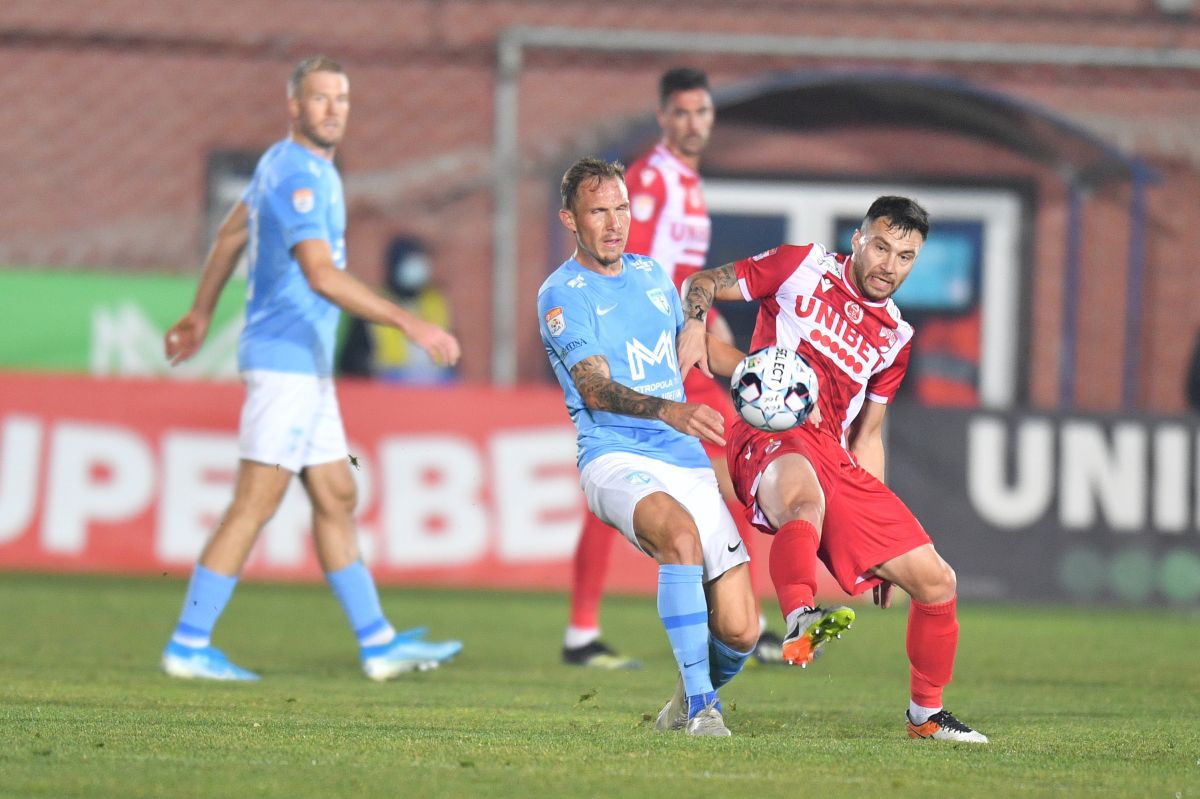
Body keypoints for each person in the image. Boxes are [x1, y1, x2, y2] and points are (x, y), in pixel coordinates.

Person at [159, 55, 463, 682]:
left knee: (336, 492)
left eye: (342, 99)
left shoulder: (280, 163)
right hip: (287, 366)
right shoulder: (302, 175)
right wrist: (409, 322)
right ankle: (188, 644)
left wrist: (199, 312)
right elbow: (320, 275)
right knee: (255, 502)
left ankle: (377, 644)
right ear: (294, 107)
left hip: (307, 367)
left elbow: (229, 235)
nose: (333, 110)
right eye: (320, 99)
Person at [678, 196, 990, 743]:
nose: (889, 265)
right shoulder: (801, 265)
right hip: (770, 429)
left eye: (905, 256)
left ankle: (926, 716)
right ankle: (800, 617)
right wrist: (694, 324)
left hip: (835, 455)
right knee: (804, 500)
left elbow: (867, 437)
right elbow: (702, 281)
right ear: (858, 239)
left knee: (937, 581)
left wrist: (877, 544)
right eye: (881, 247)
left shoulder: (896, 338)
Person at [561, 67, 785, 670]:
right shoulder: (652, 181)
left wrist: (709, 324)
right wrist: (692, 327)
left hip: (682, 339)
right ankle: (745, 623)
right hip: (657, 354)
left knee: (702, 473)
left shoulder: (687, 184)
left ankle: (737, 621)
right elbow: (639, 270)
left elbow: (684, 279)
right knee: (704, 466)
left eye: (703, 113)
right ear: (663, 118)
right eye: (682, 113)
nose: (693, 124)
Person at [538, 157, 759, 736]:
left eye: (621, 209)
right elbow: (594, 387)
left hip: (682, 456)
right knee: (680, 538)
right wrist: (671, 410)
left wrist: (752, 368)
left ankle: (682, 705)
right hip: (614, 454)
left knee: (741, 630)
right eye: (597, 212)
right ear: (570, 219)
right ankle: (704, 708)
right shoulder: (562, 294)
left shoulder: (653, 275)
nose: (613, 224)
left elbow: (694, 332)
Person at [337, 236, 457, 384]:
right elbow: (352, 362)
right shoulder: (375, 304)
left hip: (435, 387)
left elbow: (453, 353)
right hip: (387, 388)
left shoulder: (435, 302)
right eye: (410, 261)